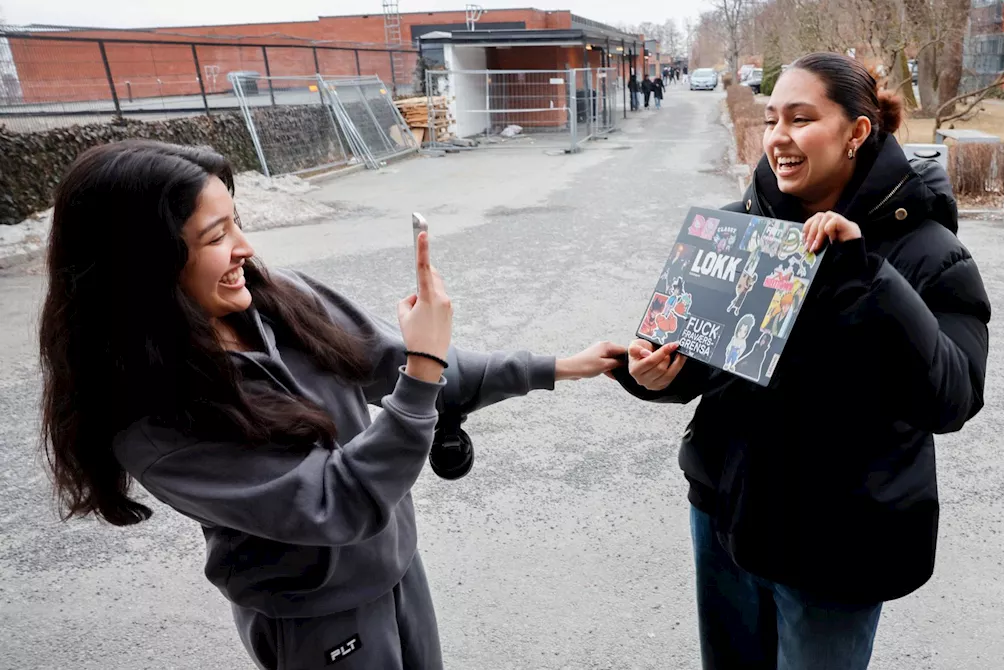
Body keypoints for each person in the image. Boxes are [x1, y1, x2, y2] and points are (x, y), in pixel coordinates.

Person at [38, 140, 626, 670]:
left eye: (236, 222)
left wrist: (560, 365)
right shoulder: (154, 418)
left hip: (395, 570)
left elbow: (393, 361)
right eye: (216, 237)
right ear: (142, 266)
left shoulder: (276, 301)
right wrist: (423, 367)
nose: (245, 248)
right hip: (318, 618)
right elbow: (335, 503)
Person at [612, 52, 991, 670]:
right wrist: (657, 375)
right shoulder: (741, 229)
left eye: (800, 118)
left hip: (840, 540)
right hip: (726, 513)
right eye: (770, 120)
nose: (778, 138)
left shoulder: (929, 254)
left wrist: (865, 273)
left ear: (857, 132)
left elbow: (952, 396)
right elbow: (704, 358)